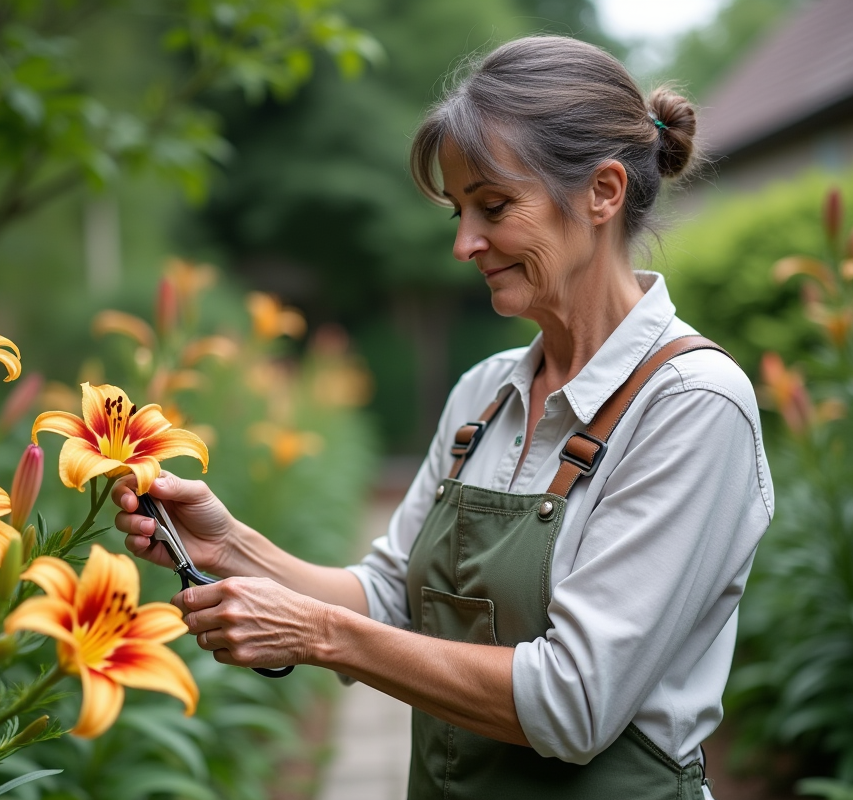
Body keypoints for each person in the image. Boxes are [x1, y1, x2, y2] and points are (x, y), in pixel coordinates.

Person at [113, 34, 771, 800]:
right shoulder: (484, 396)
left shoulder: (692, 406)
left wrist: (321, 638)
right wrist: (233, 547)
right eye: (460, 211)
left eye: (493, 207)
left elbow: (574, 702)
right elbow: (392, 597)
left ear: (604, 192)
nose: (464, 243)